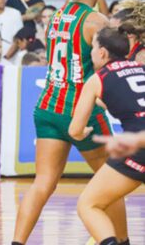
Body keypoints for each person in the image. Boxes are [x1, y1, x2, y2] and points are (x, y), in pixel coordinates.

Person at [12, 0, 129, 244]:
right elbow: (112, 63)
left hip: (48, 107)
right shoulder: (96, 21)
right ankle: (124, 242)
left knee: (43, 183)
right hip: (81, 111)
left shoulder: (56, 16)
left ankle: (16, 242)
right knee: (112, 180)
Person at [68, 27, 145, 245]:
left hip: (137, 149)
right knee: (108, 198)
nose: (90, 51)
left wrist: (83, 132)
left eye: (92, 47)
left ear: (102, 52)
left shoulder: (97, 79)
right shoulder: (141, 67)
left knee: (88, 205)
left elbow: (74, 130)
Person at [109, 0, 144, 64]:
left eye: (113, 31)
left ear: (129, 33)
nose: (109, 36)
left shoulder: (141, 58)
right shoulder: (121, 55)